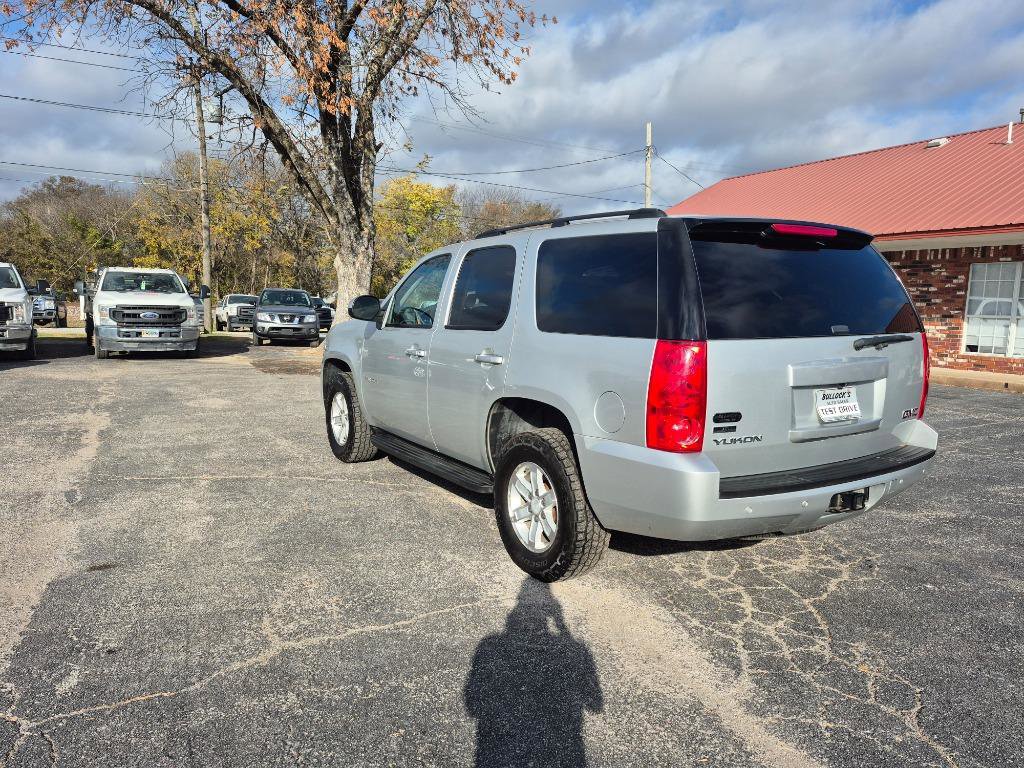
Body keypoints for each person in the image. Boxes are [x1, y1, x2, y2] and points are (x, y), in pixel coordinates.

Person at [464, 581, 603, 767]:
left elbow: (472, 705)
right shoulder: (577, 650)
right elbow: (595, 704)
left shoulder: (489, 644)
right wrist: (563, 628)